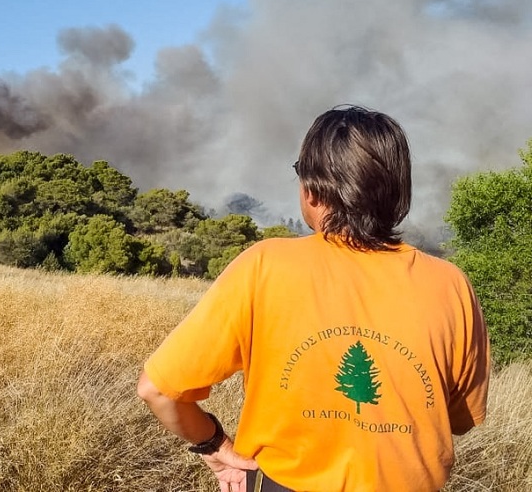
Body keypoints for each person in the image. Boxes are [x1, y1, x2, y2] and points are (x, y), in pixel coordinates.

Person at [137, 105, 490, 492]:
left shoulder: (264, 265)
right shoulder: (451, 284)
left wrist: (215, 445)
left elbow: (157, 389)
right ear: (398, 191)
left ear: (311, 190)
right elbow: (460, 418)